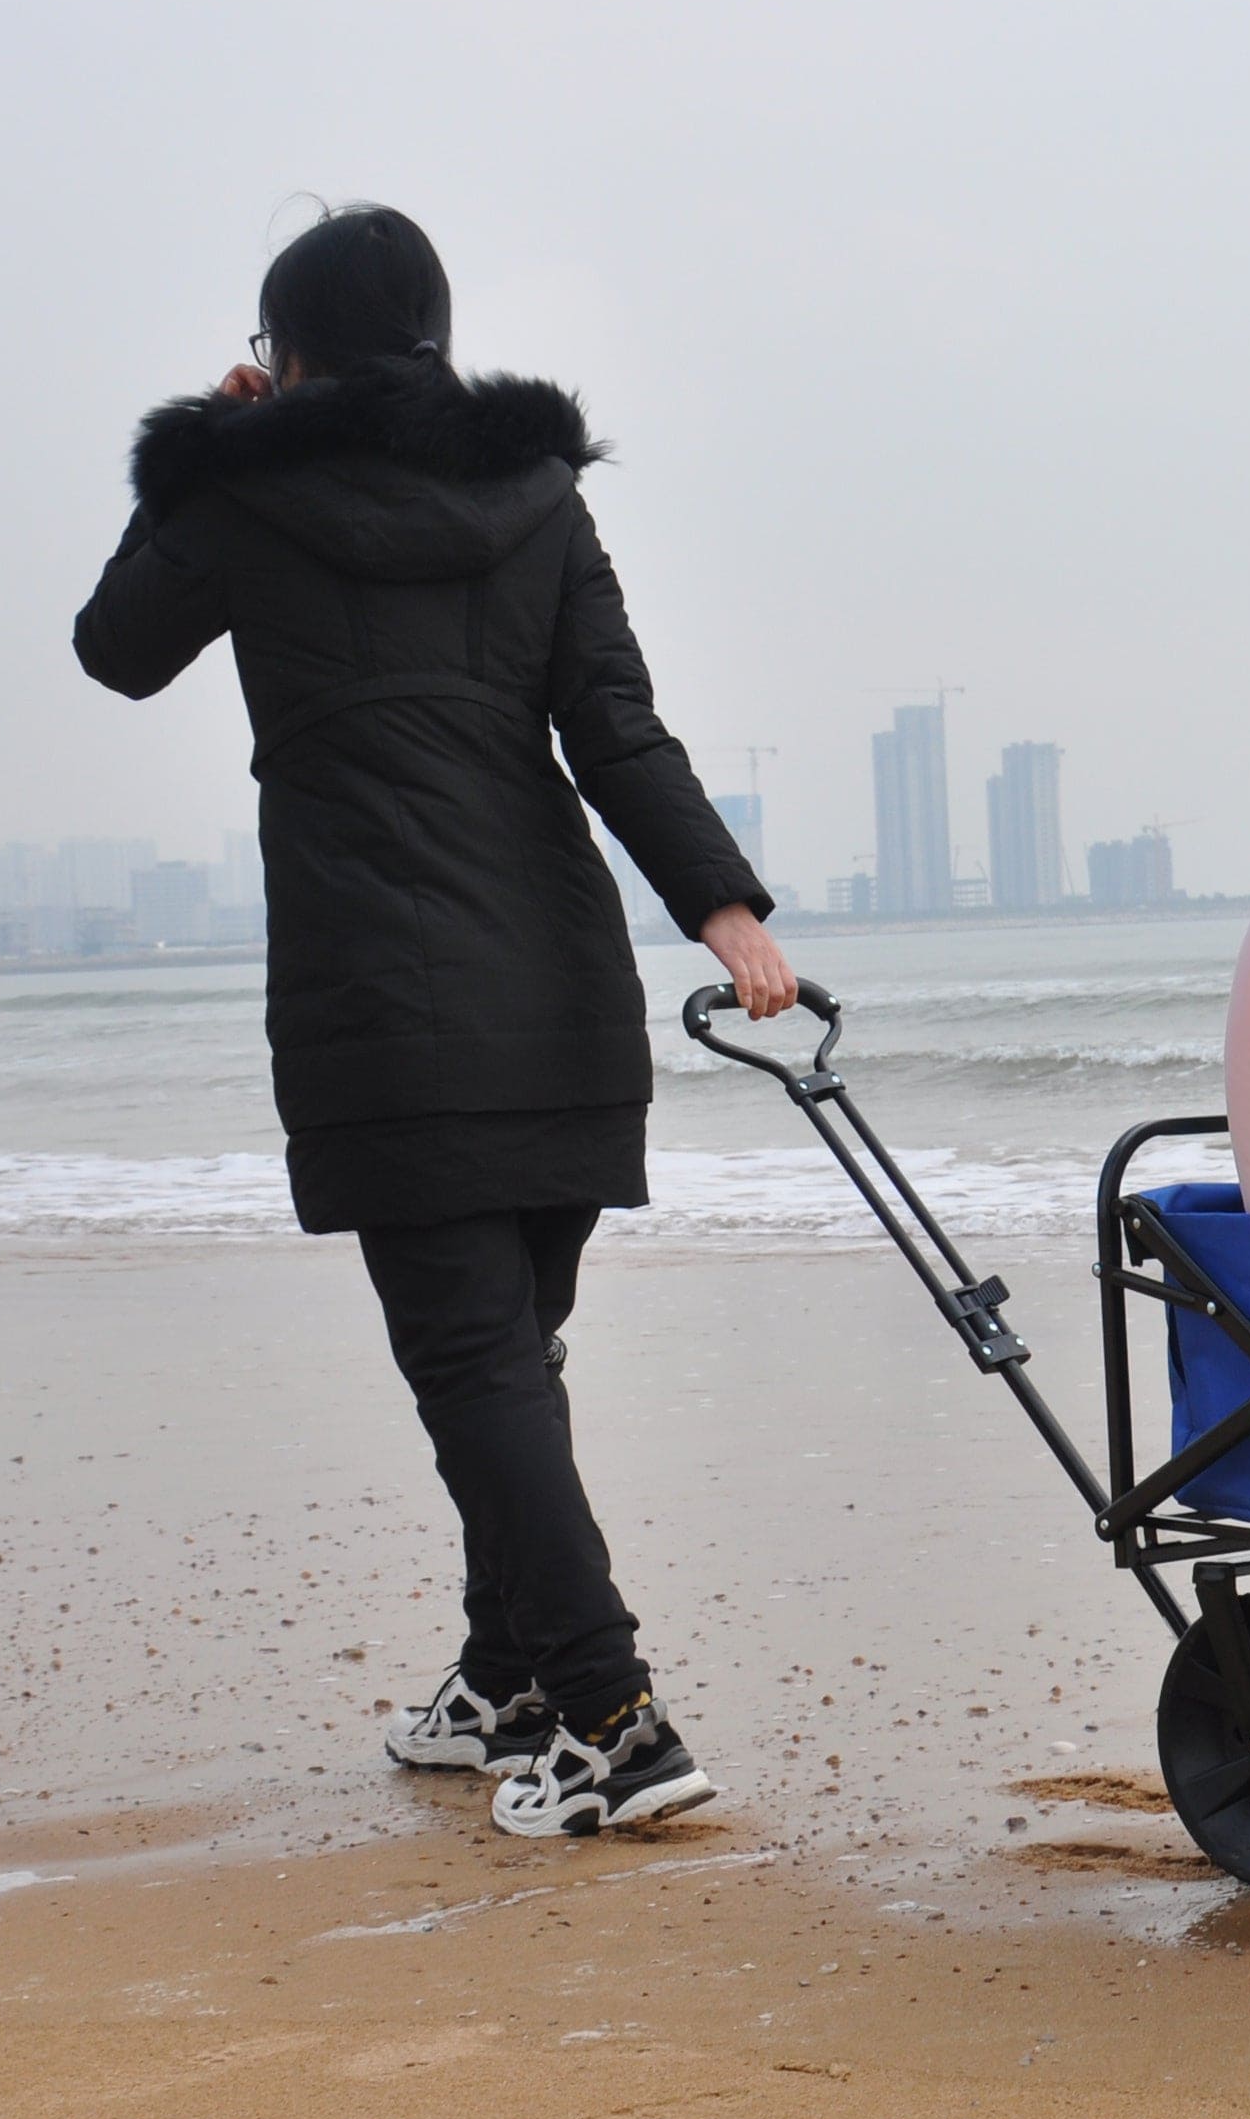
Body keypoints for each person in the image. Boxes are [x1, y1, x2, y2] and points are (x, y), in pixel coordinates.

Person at [74, 203, 797, 1837]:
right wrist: (727, 914)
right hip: (557, 990)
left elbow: (116, 650)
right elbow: (615, 728)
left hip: (384, 1008)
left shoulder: (250, 492)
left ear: (289, 349)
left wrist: (199, 451)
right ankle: (506, 1683)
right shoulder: (535, 492)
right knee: (510, 1365)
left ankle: (613, 1719)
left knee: (479, 1371)